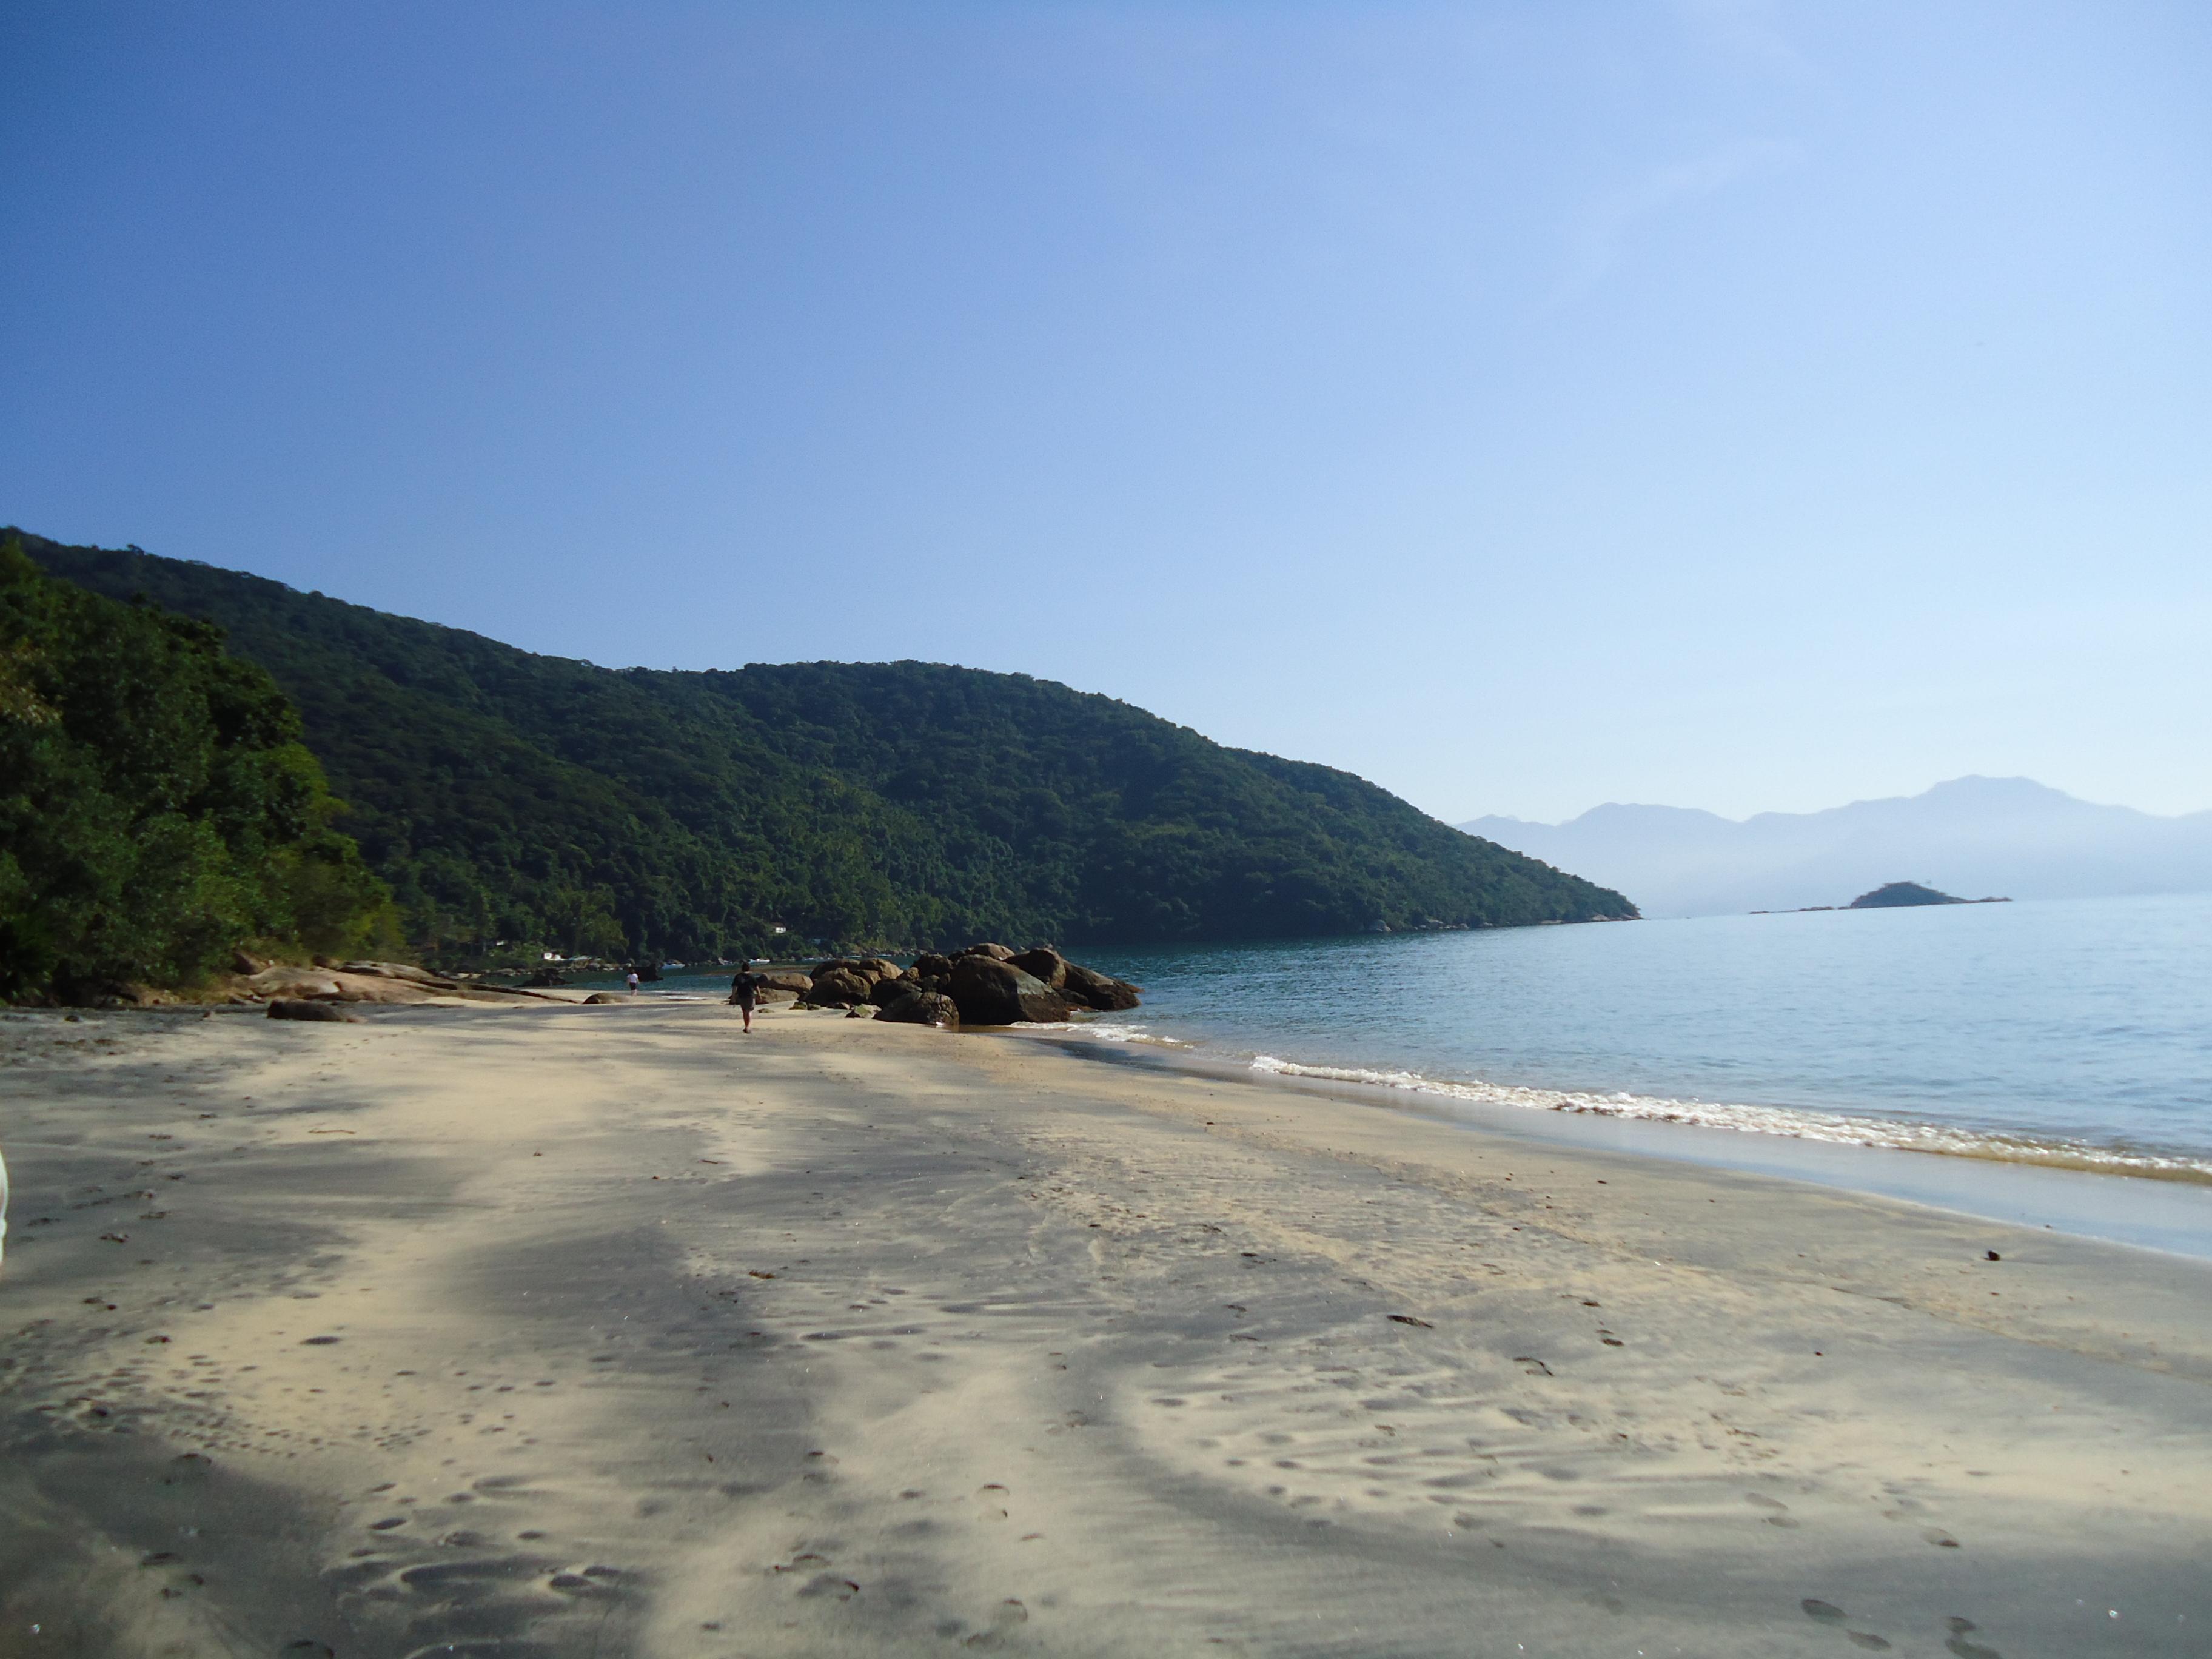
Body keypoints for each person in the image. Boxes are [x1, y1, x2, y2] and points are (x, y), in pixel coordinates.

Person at [729, 959, 766, 1031]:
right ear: (749, 968)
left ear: (742, 969)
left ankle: (746, 1026)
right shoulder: (752, 977)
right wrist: (759, 995)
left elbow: (735, 987)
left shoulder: (738, 977)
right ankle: (748, 1027)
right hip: (750, 996)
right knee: (749, 1011)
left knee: (745, 1011)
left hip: (741, 996)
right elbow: (756, 987)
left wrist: (733, 997)